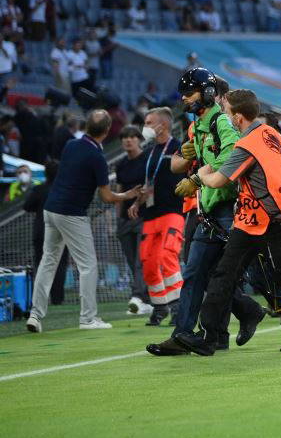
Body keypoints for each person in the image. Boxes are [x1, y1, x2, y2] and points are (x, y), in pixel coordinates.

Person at [174, 89, 281, 354]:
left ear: (237, 118)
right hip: (264, 218)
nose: (225, 116)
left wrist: (200, 175)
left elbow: (220, 179)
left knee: (274, 278)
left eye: (226, 112)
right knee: (227, 275)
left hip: (266, 220)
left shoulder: (247, 146)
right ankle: (210, 336)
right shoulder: (270, 134)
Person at [26, 110, 142, 333]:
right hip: (71, 213)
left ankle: (35, 315)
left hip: (50, 210)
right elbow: (107, 197)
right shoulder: (97, 157)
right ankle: (88, 318)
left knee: (48, 262)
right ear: (107, 131)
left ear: (86, 126)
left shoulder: (70, 145)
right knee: (88, 265)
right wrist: (127, 195)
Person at [130, 107, 185, 324]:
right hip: (151, 213)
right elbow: (148, 183)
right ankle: (160, 307)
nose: (145, 127)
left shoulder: (179, 148)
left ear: (162, 125)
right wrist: (137, 201)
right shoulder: (150, 152)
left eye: (149, 123)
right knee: (149, 261)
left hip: (173, 211)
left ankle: (179, 307)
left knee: (167, 256)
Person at [113, 126, 152, 315]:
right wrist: (117, 219)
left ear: (139, 139)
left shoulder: (147, 159)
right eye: (124, 137)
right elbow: (119, 190)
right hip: (124, 220)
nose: (128, 140)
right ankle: (145, 298)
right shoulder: (120, 164)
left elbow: (148, 187)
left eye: (132, 137)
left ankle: (137, 297)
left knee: (140, 260)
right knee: (131, 260)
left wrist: (138, 203)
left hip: (144, 216)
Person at [26, 161, 69, 310]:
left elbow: (26, 206)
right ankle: (58, 298)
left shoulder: (39, 189)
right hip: (62, 230)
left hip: (41, 232)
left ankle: (41, 299)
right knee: (61, 264)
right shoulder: (66, 189)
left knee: (42, 264)